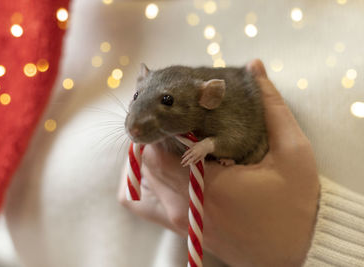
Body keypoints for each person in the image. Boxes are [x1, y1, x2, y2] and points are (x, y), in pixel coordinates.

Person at [119, 59, 364, 266]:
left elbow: (239, 137)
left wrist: (300, 242)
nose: (134, 126)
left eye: (168, 102)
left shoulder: (222, 109)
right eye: (137, 95)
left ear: (209, 97)